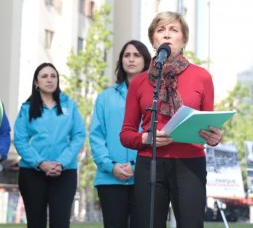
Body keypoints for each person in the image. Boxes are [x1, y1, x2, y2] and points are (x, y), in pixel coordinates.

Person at [120, 11, 223, 228]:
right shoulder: (139, 82)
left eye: (173, 30)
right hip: (150, 163)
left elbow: (208, 124)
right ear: (153, 40)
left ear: (183, 39)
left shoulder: (202, 77)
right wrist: (147, 138)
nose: (167, 34)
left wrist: (214, 137)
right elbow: (126, 134)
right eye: (161, 30)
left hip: (190, 164)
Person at [14, 62, 86, 228]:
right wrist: (40, 163)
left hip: (64, 172)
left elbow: (79, 135)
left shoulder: (70, 105)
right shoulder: (26, 109)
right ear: (36, 82)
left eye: (53, 76)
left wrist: (61, 162)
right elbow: (20, 140)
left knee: (60, 222)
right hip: (32, 173)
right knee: (35, 222)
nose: (49, 80)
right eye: (44, 76)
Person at [90, 40, 151, 228]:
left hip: (146, 177)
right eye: (126, 55)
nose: (131, 59)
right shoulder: (105, 97)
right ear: (121, 61)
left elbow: (158, 134)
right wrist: (111, 166)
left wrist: (136, 166)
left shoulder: (155, 96)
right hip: (110, 179)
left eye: (136, 55)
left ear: (146, 61)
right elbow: (96, 136)